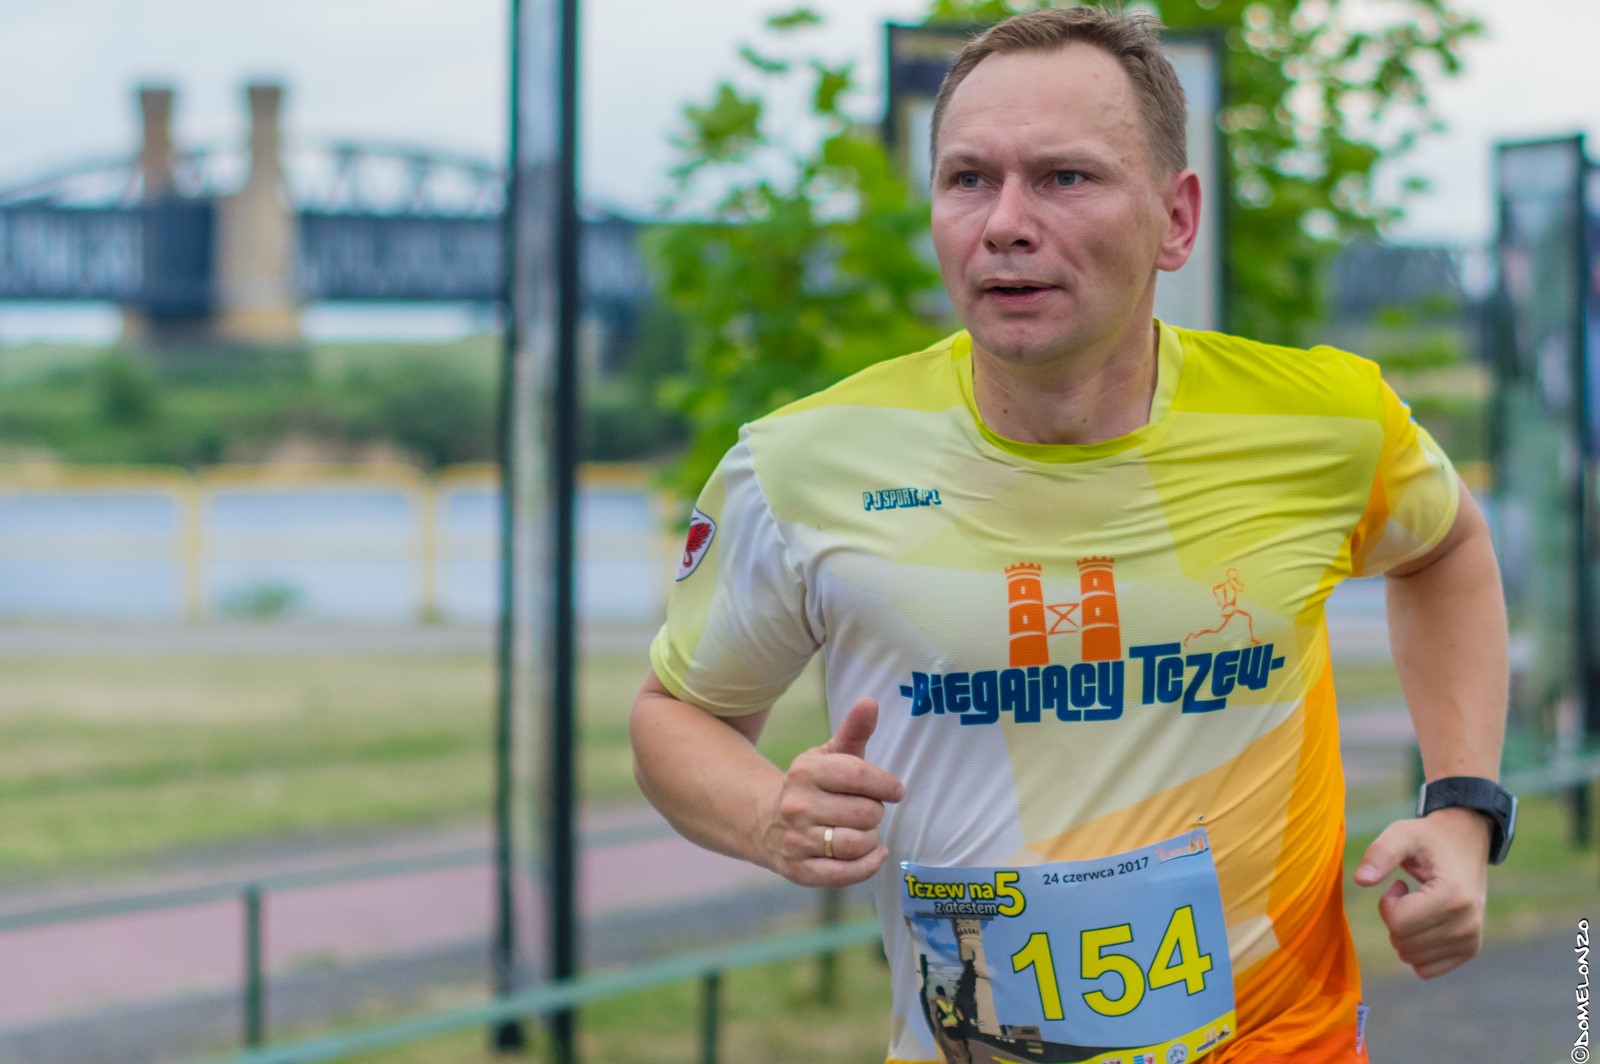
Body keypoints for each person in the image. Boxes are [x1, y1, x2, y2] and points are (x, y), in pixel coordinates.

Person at [630, 7, 1512, 1063]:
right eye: (968, 179)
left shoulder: (1326, 423)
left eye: (1064, 178)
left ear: (1176, 218)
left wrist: (1463, 806)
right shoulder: (801, 465)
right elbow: (675, 716)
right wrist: (769, 810)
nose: (1005, 222)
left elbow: (1445, 550)